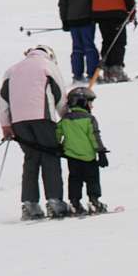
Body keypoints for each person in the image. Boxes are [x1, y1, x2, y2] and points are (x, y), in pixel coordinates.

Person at [0, 45, 71, 220]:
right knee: (50, 156)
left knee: (31, 158)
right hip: (43, 117)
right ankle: (55, 202)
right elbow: (60, 95)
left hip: (19, 122)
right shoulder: (48, 66)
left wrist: (6, 125)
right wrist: (68, 118)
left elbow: (3, 100)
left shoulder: (11, 70)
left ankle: (30, 204)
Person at [56, 87, 110, 215]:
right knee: (92, 179)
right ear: (82, 102)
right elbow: (94, 136)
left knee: (75, 179)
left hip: (72, 158)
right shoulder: (89, 119)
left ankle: (74, 202)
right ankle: (94, 201)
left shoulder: (65, 120)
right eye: (90, 103)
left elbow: (57, 133)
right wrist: (101, 152)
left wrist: (58, 146)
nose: (92, 106)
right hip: (89, 157)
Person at [92, 0, 136, 83]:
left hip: (99, 10)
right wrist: (131, 9)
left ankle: (108, 70)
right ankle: (116, 69)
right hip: (116, 9)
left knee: (107, 41)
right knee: (118, 42)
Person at [58, 0, 99, 83]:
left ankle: (77, 75)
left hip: (72, 19)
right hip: (87, 18)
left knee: (77, 48)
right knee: (89, 47)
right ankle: (92, 74)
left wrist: (64, 20)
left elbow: (62, 3)